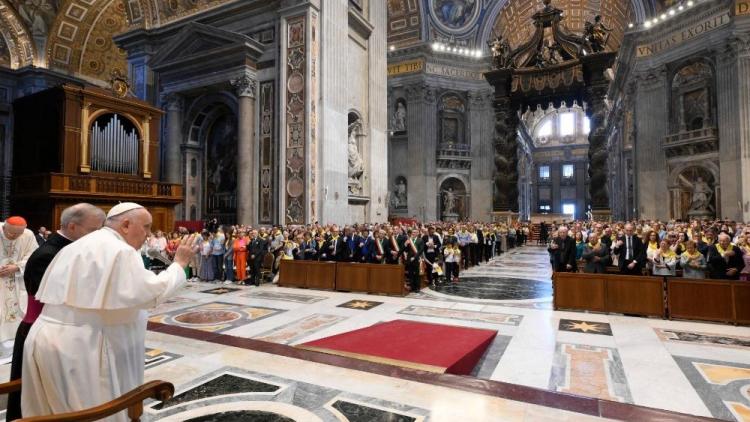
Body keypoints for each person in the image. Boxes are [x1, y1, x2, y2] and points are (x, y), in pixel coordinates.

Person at [21, 203, 197, 421]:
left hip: (48, 338)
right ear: (125, 225)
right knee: (93, 412)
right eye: (146, 227)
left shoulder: (80, 244)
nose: (148, 234)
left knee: (55, 410)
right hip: (82, 346)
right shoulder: (119, 250)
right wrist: (179, 264)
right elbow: (152, 293)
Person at [6, 203, 105, 422]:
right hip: (42, 332)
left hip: (60, 332)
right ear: (72, 226)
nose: (97, 237)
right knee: (35, 397)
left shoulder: (69, 249)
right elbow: (59, 300)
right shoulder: (48, 254)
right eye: (93, 230)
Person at [0, 216, 38, 357]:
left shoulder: (28, 235)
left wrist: (17, 267)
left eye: (18, 234)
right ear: (4, 227)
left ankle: (12, 349)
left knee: (15, 311)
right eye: (11, 233)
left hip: (17, 280)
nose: (15, 236)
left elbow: (33, 256)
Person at [403, 228, 424, 292]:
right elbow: (406, 250)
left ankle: (417, 288)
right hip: (409, 259)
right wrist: (405, 244)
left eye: (415, 232)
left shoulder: (420, 240)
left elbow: (420, 250)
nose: (413, 233)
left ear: (417, 233)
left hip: (417, 259)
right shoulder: (409, 240)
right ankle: (412, 287)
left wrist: (414, 257)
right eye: (412, 233)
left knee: (417, 274)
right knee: (411, 273)